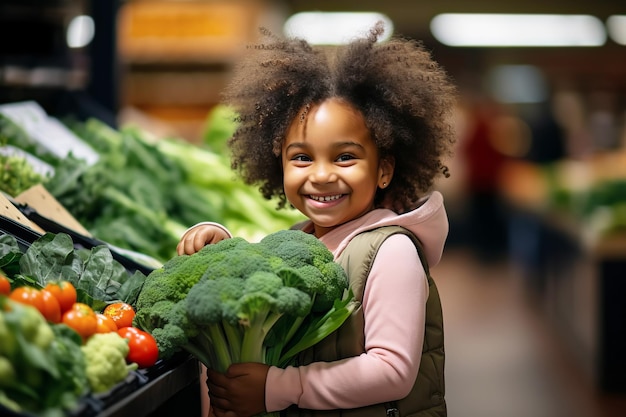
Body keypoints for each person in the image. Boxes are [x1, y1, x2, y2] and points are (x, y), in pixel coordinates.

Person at [177, 22, 457, 417]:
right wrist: (218, 244)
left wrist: (278, 388)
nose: (321, 174)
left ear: (384, 170)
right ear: (278, 165)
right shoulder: (299, 238)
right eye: (302, 157)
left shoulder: (392, 252)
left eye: (345, 157)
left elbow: (392, 371)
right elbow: (258, 279)